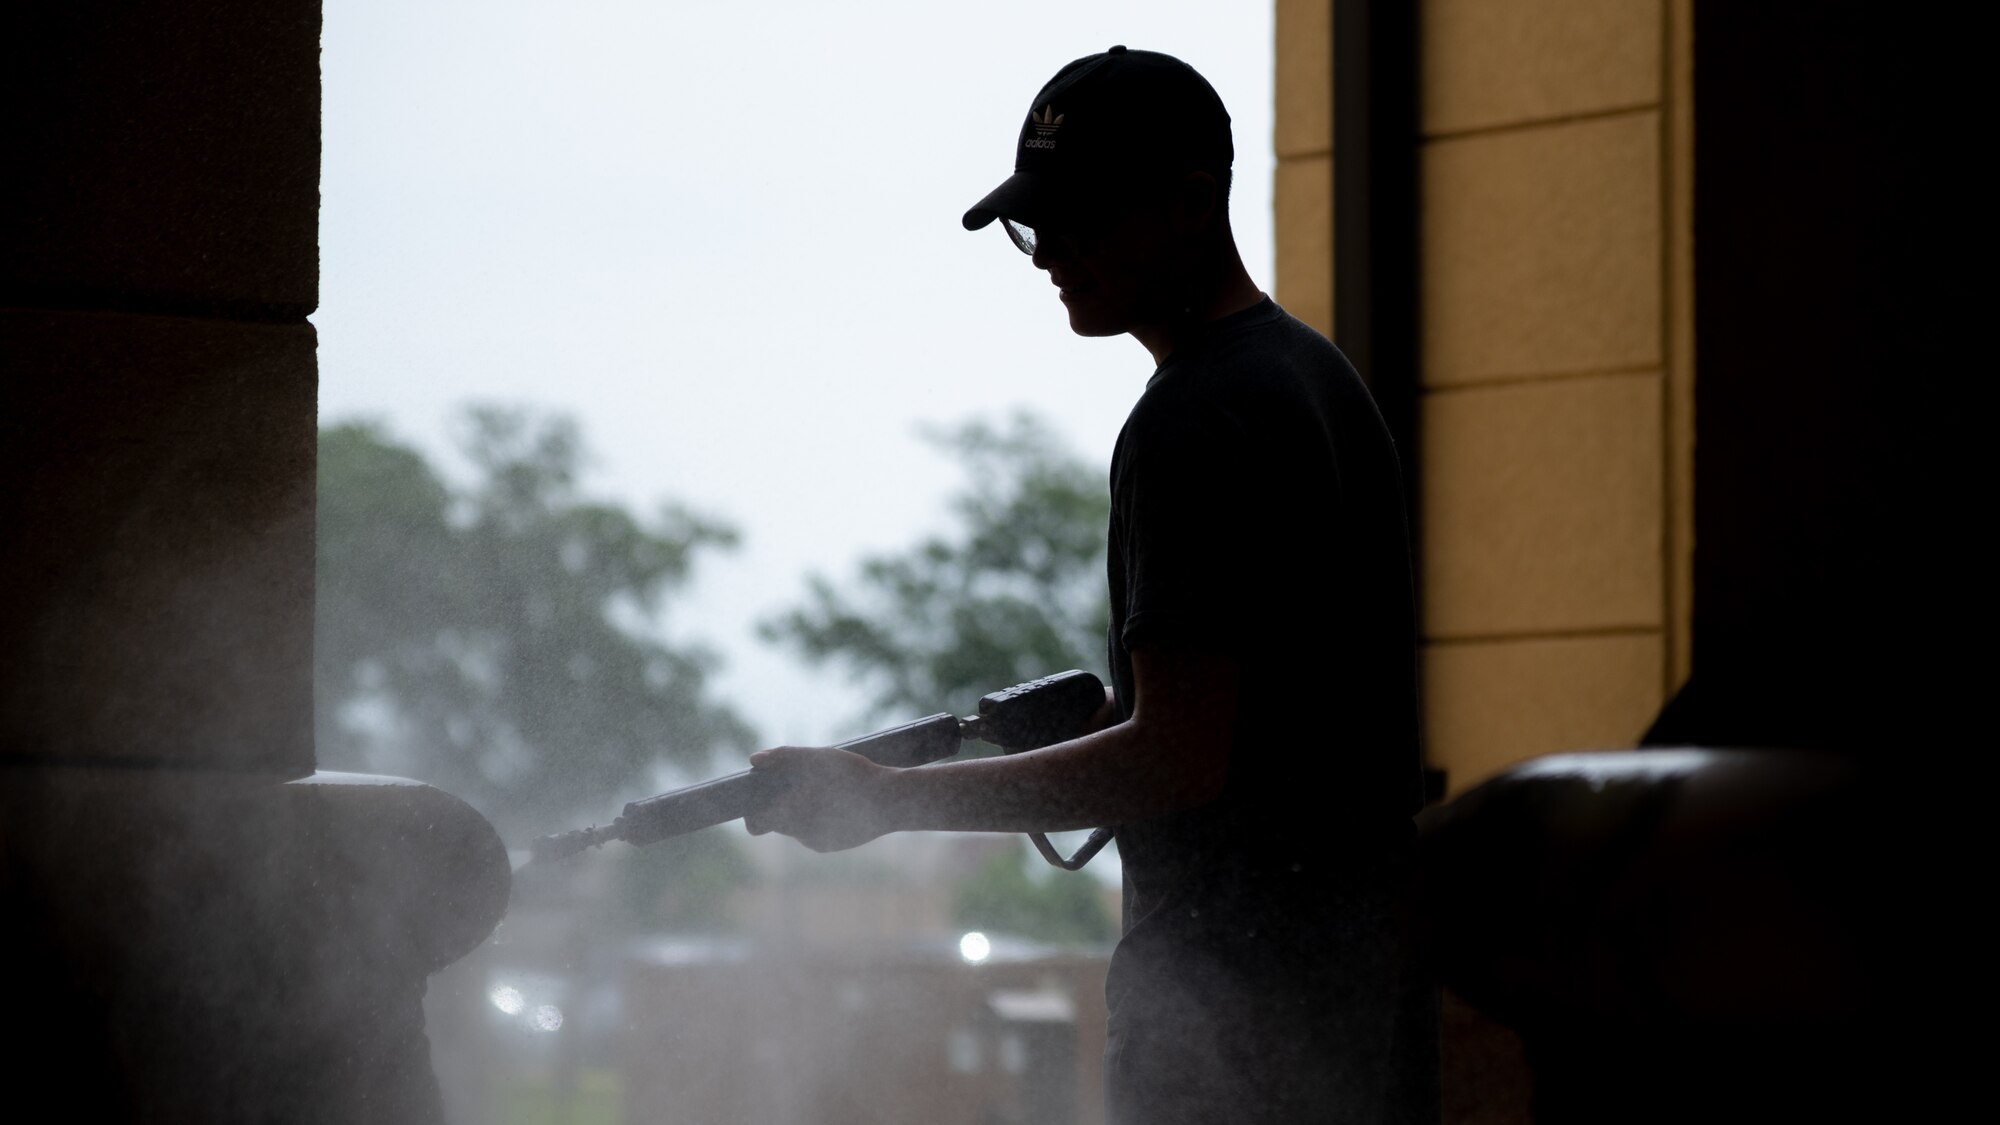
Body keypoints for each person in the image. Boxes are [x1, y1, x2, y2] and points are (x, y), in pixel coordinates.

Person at [745, 46, 1436, 1124]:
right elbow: (1273, 729)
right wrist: (1092, 729)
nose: (1046, 253)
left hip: (1231, 1016)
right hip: (1349, 989)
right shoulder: (1312, 378)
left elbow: (1176, 757)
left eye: (1078, 217)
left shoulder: (1190, 422)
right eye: (1034, 223)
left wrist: (877, 800)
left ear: (1191, 200)